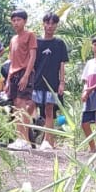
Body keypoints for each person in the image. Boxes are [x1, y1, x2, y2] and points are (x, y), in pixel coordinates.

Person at [31, 13, 69, 150]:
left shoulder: (59, 43)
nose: (50, 26)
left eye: (53, 23)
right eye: (47, 23)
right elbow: (32, 63)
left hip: (52, 82)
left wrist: (62, 82)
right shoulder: (36, 42)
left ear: (56, 25)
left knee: (49, 109)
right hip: (37, 82)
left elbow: (62, 64)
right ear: (43, 24)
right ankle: (31, 136)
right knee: (31, 107)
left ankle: (48, 141)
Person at [4, 11, 38, 151]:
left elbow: (32, 57)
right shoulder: (13, 39)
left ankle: (24, 139)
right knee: (16, 105)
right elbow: (11, 61)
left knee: (22, 103)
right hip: (14, 73)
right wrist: (7, 80)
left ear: (24, 21)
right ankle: (19, 138)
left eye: (19, 19)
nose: (16, 22)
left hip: (25, 72)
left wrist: (26, 76)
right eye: (14, 20)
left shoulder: (30, 35)